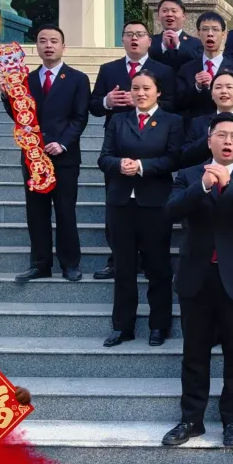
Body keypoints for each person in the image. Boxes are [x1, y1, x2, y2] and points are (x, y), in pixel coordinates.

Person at [162, 113, 233, 448]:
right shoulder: (189, 175)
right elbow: (171, 211)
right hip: (196, 276)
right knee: (194, 352)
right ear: (209, 140)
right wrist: (203, 186)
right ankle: (191, 419)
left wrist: (230, 185)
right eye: (221, 135)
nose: (227, 141)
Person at [97, 70, 183, 348]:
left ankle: (159, 325)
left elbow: (174, 158)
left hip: (155, 203)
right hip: (121, 202)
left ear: (158, 92)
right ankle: (122, 327)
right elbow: (104, 158)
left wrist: (143, 167)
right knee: (123, 267)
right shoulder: (118, 120)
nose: (141, 93)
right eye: (136, 88)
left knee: (158, 266)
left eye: (147, 88)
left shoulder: (172, 121)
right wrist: (118, 164)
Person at [0, 24, 89, 283]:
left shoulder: (78, 79)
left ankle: (70, 264)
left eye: (54, 41)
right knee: (36, 212)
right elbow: (20, 117)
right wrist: (6, 95)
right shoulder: (25, 80)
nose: (48, 45)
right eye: (43, 40)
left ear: (63, 47)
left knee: (65, 211)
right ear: (35, 46)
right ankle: (40, 264)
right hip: (33, 156)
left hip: (65, 156)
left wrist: (63, 143)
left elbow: (80, 118)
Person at [89, 21, 177, 280]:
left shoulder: (164, 70)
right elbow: (93, 105)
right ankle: (117, 259)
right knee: (116, 206)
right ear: (123, 40)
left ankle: (150, 260)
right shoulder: (109, 69)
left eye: (140, 34)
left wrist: (145, 103)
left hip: (153, 148)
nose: (134, 39)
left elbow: (173, 103)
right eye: (129, 34)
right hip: (119, 145)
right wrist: (108, 101)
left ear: (150, 40)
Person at [179, 69, 233, 169]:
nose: (224, 91)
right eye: (218, 87)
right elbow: (185, 157)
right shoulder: (198, 123)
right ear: (211, 94)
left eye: (229, 87)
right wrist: (210, 136)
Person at [175, 12, 233, 128]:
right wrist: (197, 87)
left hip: (227, 127)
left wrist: (215, 88)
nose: (210, 34)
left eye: (215, 29)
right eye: (205, 29)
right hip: (195, 129)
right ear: (198, 33)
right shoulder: (186, 69)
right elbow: (179, 103)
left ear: (224, 34)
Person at [149, 0, 203, 71]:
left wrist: (178, 46)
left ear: (183, 16)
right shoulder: (150, 41)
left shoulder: (196, 43)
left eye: (174, 11)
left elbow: (200, 63)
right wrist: (163, 47)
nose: (169, 14)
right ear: (158, 16)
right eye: (164, 11)